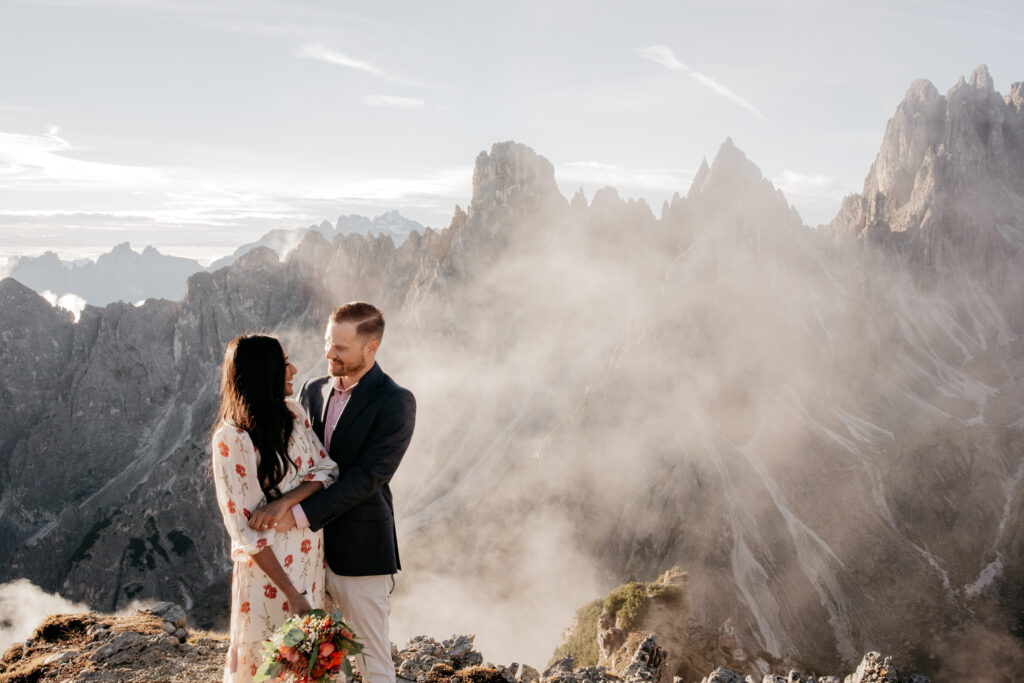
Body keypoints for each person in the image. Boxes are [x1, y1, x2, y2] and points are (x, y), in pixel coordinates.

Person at [259, 302, 416, 683]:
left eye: (341, 348)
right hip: (306, 554)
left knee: (371, 656)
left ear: (371, 348)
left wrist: (295, 517)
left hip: (361, 552)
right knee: (317, 657)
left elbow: (367, 478)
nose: (329, 353)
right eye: (328, 343)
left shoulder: (396, 401)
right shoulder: (313, 390)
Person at [211, 334, 339, 682]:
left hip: (308, 563)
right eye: (284, 364)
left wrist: (285, 501)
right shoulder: (232, 439)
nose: (294, 369)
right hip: (271, 578)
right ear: (262, 372)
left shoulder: (293, 414)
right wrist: (292, 595)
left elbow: (327, 470)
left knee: (309, 667)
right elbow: (246, 533)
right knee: (272, 665)